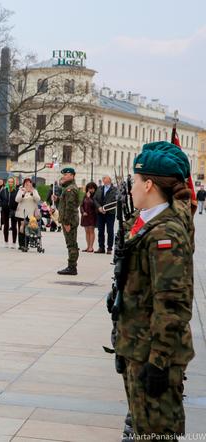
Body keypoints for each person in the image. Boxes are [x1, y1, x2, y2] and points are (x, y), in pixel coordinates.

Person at [115, 141, 194, 439]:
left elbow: (172, 304)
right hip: (137, 346)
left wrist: (158, 362)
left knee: (156, 434)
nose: (131, 188)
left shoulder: (166, 234)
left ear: (148, 184)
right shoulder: (147, 224)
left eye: (134, 181)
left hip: (152, 354)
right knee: (143, 429)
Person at [55, 167, 80, 275]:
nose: (64, 176)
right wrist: (57, 200)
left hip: (69, 221)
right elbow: (63, 205)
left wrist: (66, 222)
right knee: (70, 243)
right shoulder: (67, 188)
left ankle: (72, 267)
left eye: (66, 174)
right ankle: (71, 266)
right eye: (64, 174)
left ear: (72, 175)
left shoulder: (70, 189)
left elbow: (70, 208)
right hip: (69, 220)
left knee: (71, 244)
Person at [94, 175, 117, 254]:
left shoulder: (115, 189)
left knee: (110, 231)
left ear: (109, 180)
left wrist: (106, 208)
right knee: (100, 231)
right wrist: (99, 208)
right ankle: (101, 247)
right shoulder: (100, 188)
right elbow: (95, 199)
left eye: (105, 179)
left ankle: (109, 248)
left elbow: (116, 200)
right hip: (100, 213)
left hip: (110, 213)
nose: (104, 180)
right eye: (103, 179)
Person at [15, 178, 40, 251]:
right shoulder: (21, 190)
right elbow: (17, 199)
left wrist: (32, 193)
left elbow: (38, 199)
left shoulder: (34, 191)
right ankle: (21, 244)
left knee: (29, 229)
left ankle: (26, 244)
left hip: (31, 214)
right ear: (24, 184)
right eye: (26, 183)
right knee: (21, 229)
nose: (28, 185)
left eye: (29, 183)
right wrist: (24, 193)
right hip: (21, 213)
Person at [0, 177, 18, 248]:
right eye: (9, 182)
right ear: (7, 182)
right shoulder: (4, 190)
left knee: (14, 226)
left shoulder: (16, 190)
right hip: (5, 210)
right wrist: (2, 205)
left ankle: (14, 242)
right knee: (6, 226)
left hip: (14, 210)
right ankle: (6, 242)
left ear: (13, 183)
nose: (10, 183)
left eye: (12, 182)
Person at [80, 182, 97, 253]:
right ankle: (88, 246)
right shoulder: (85, 195)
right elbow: (81, 205)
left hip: (92, 215)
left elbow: (93, 204)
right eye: (89, 188)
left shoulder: (95, 196)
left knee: (91, 231)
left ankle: (91, 247)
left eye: (92, 188)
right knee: (87, 232)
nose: (90, 190)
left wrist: (89, 198)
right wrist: (83, 212)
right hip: (85, 216)